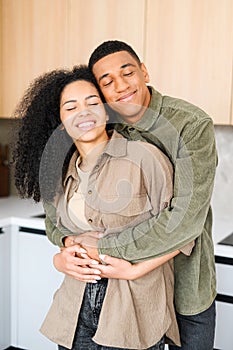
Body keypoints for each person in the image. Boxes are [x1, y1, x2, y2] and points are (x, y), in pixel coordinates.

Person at [45, 40, 218, 350]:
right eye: (107, 82)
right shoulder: (101, 125)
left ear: (144, 72)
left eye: (127, 73)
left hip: (184, 284)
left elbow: (186, 221)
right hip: (124, 295)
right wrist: (65, 247)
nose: (121, 86)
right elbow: (60, 205)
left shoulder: (190, 124)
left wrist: (120, 257)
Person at [12, 65, 195, 350]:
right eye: (71, 107)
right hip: (75, 309)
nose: (83, 112)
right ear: (60, 121)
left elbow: (184, 231)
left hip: (134, 314)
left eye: (93, 103)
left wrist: (133, 270)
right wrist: (60, 256)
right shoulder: (58, 169)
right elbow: (58, 227)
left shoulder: (145, 158)